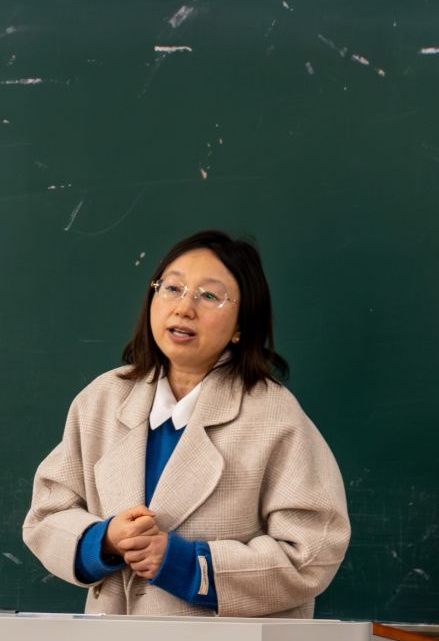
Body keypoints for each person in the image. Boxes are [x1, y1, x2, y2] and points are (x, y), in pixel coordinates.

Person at [23, 230, 350, 617]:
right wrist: (105, 539)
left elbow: (311, 553)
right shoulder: (103, 399)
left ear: (242, 324)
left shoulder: (273, 415)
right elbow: (46, 515)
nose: (184, 308)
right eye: (172, 288)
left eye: (209, 296)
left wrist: (185, 564)